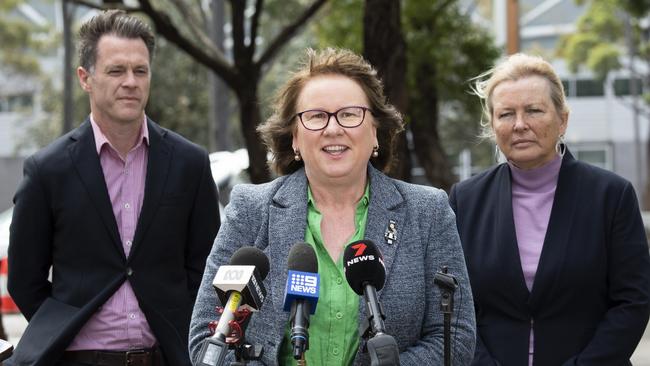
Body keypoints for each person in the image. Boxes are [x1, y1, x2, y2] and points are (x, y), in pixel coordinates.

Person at [189, 48, 476, 365]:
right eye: (316, 116)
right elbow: (206, 340)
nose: (333, 128)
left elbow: (455, 339)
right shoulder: (250, 210)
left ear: (376, 131)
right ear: (295, 138)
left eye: (350, 114)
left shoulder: (428, 212)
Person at [7, 9, 221, 366]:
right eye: (116, 70)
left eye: (140, 70)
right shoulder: (47, 170)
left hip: (167, 356)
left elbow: (205, 267)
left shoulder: (190, 164)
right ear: (85, 78)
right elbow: (24, 280)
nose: (131, 82)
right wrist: (60, 333)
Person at [449, 53, 650, 366]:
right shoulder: (466, 200)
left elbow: (633, 302)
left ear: (562, 120)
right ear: (492, 125)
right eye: (505, 114)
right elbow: (452, 304)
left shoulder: (611, 196)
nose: (519, 125)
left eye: (533, 110)